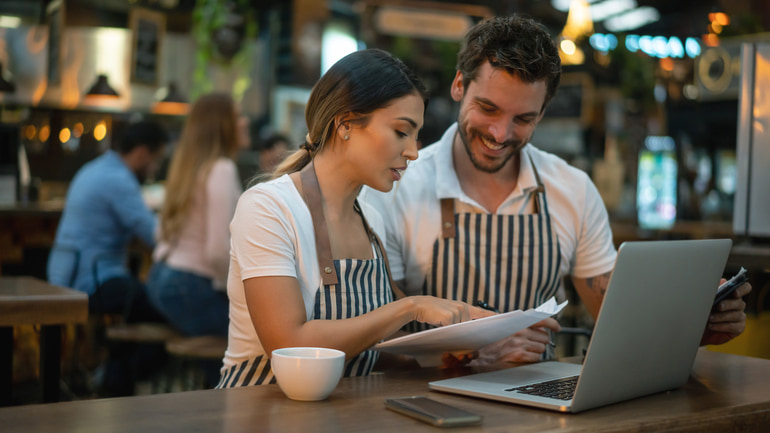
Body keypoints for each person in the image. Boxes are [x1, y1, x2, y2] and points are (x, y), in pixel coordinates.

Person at [361, 15, 751, 366]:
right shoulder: (396, 186)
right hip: (428, 403)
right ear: (459, 85)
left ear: (543, 113)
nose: (500, 134)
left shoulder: (572, 189)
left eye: (524, 119)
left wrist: (697, 326)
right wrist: (472, 352)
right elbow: (373, 337)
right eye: (489, 108)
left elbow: (618, 321)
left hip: (544, 405)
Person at [217, 48, 493, 388]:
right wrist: (410, 307)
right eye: (401, 131)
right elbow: (288, 343)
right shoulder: (268, 208)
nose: (413, 152)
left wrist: (448, 353)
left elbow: (364, 351)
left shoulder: (372, 217)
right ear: (346, 123)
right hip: (259, 412)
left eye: (416, 135)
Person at [146, 93, 249, 338]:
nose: (245, 122)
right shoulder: (222, 169)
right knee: (251, 341)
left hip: (161, 277)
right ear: (222, 126)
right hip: (191, 285)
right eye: (238, 117)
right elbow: (216, 251)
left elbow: (159, 232)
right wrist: (242, 293)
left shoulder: (187, 166)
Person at [48, 120, 169, 321]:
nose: (155, 169)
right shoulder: (119, 180)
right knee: (164, 303)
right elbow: (154, 235)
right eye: (157, 160)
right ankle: (126, 353)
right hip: (92, 281)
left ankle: (123, 351)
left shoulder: (93, 168)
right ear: (141, 153)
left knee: (148, 296)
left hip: (66, 276)